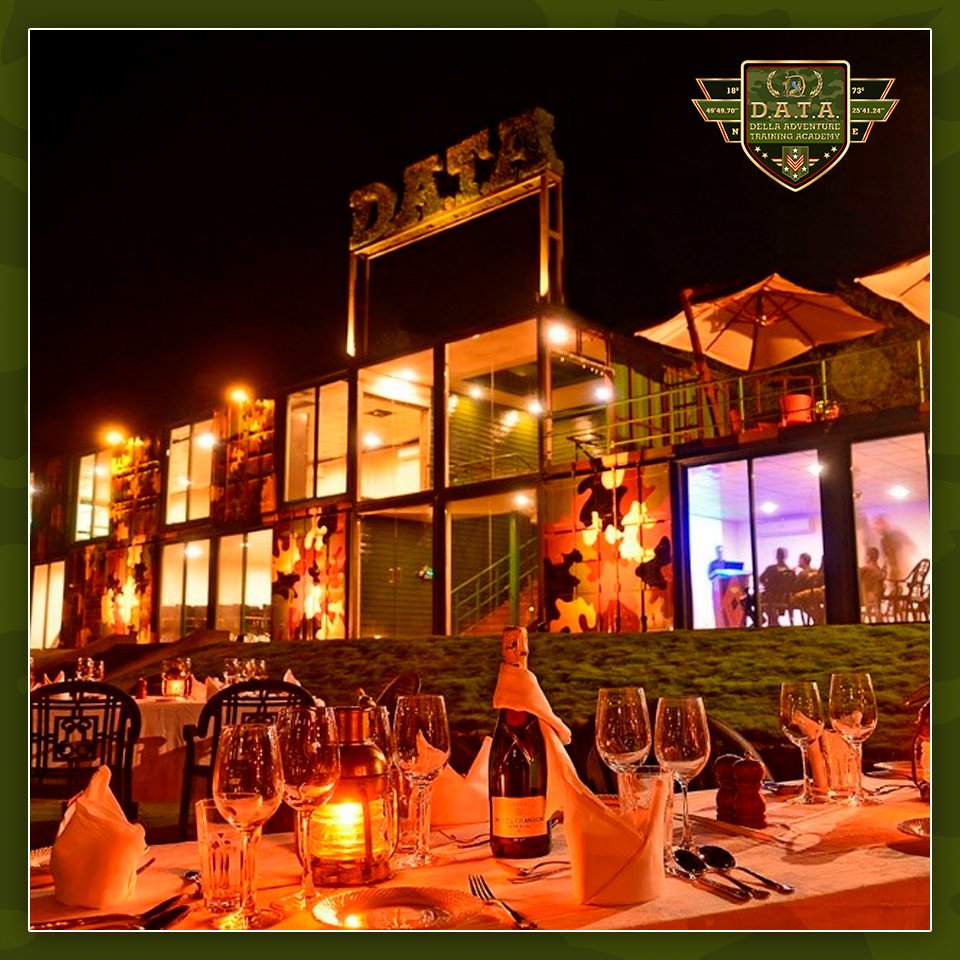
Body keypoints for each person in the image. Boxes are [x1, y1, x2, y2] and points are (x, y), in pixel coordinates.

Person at [873, 515, 917, 583]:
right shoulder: (883, 541)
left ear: (884, 524)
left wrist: (902, 561)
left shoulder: (896, 534)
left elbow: (912, 547)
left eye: (878, 525)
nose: (877, 529)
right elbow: (886, 558)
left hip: (903, 569)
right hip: (895, 570)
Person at [759, 547, 796, 625]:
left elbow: (761, 579)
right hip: (785, 598)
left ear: (776, 556)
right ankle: (774, 622)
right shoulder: (791, 572)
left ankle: (763, 619)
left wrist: (767, 585)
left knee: (747, 600)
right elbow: (794, 585)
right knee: (766, 603)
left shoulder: (771, 569)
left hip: (770, 596)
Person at [859, 546, 886, 621]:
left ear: (869, 557)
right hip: (877, 596)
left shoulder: (866, 569)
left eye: (866, 555)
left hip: (867, 596)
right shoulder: (878, 569)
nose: (864, 557)